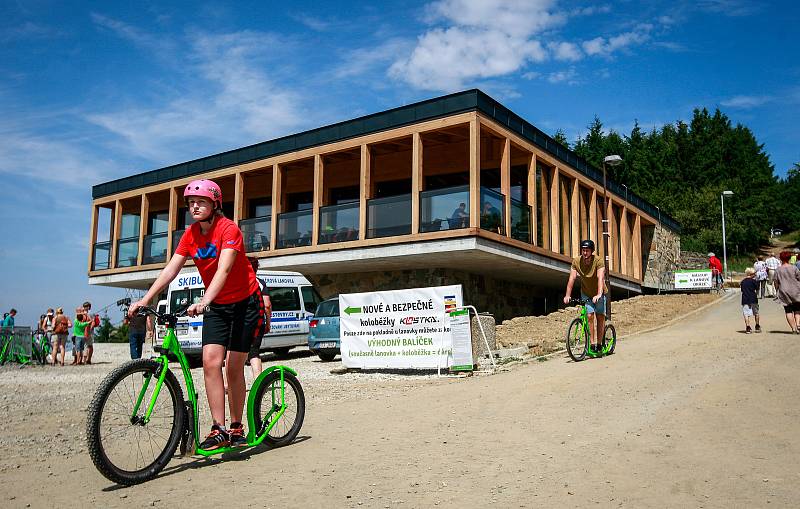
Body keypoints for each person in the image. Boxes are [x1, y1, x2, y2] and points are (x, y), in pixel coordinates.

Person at [128, 179, 265, 450]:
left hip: (244, 303)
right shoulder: (190, 234)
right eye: (191, 202)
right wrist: (144, 300)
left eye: (201, 201)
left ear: (215, 204)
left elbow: (224, 270)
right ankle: (219, 428)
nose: (194, 206)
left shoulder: (229, 229)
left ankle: (237, 426)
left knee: (233, 366)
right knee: (210, 362)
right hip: (218, 306)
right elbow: (171, 269)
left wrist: (205, 299)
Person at [563, 239, 607, 354]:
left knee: (600, 317)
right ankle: (592, 344)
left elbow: (600, 278)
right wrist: (567, 295)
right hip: (586, 292)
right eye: (583, 250)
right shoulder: (576, 261)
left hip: (599, 292)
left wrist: (598, 294)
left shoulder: (598, 261)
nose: (585, 253)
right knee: (589, 316)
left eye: (587, 250)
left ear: (592, 251)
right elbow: (572, 278)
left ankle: (599, 343)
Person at [241, 257, 272, 378]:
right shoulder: (260, 283)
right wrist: (268, 322)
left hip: (239, 322)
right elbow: (267, 305)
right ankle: (258, 383)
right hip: (256, 322)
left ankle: (228, 385)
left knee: (233, 353)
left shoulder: (237, 282)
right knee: (254, 354)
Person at [774, 250, 800, 334]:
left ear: (781, 259)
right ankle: (798, 324)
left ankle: (793, 328)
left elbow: (776, 282)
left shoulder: (778, 270)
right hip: (795, 290)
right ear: (789, 258)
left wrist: (777, 289)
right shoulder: (794, 268)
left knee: (788, 310)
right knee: (797, 309)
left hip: (784, 291)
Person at [740, 268, 761, 333]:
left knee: (746, 314)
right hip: (753, 298)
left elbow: (742, 290)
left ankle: (748, 327)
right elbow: (757, 288)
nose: (755, 275)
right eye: (754, 274)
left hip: (745, 298)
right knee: (756, 313)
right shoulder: (753, 281)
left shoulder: (743, 281)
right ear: (751, 274)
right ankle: (757, 326)